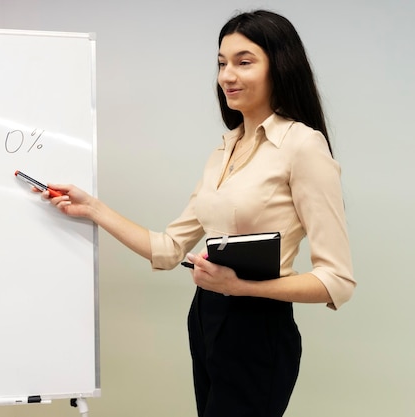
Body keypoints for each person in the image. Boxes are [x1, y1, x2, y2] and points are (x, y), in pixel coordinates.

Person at [37, 9, 355, 417]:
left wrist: (244, 288)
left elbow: (337, 281)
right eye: (221, 63)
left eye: (244, 61)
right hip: (206, 320)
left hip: (258, 328)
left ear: (280, 66)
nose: (227, 76)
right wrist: (93, 208)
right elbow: (169, 248)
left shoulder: (303, 146)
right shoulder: (224, 149)